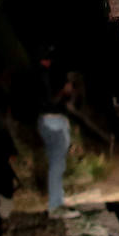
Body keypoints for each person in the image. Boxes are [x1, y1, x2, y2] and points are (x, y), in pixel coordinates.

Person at [34, 47, 79, 219]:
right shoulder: (42, 74)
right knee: (57, 164)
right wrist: (64, 92)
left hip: (51, 120)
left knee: (58, 163)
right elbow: (49, 102)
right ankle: (55, 206)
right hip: (51, 121)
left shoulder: (43, 73)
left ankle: (57, 201)